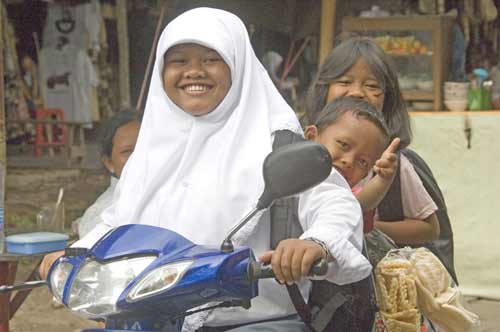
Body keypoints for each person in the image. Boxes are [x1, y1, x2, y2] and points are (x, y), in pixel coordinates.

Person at [40, 8, 371, 332]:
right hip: (149, 316)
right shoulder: (153, 148)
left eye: (211, 60)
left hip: (255, 321)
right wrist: (74, 254)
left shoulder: (278, 144)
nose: (193, 71)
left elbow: (333, 203)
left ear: (237, 65)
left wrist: (315, 243)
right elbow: (119, 222)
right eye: (178, 61)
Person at [306, 36, 440, 246]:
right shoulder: (301, 155)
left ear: (388, 98)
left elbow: (430, 229)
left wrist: (360, 226)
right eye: (344, 82)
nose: (357, 92)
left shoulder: (391, 164)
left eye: (371, 85)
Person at [73, 110, 141, 237]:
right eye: (127, 151)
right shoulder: (102, 215)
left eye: (145, 147)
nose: (138, 157)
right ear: (109, 163)